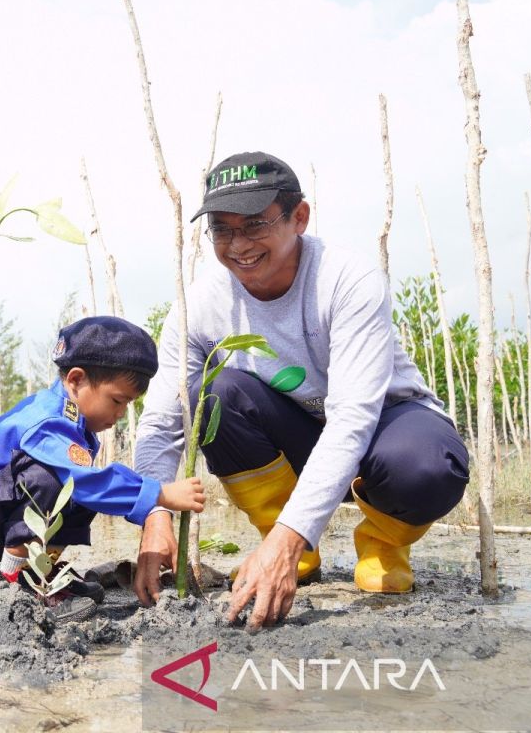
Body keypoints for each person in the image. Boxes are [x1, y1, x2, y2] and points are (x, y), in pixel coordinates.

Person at [134, 151, 470, 629]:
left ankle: (380, 544)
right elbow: (163, 421)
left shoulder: (346, 279)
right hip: (296, 434)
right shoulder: (200, 308)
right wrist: (154, 514)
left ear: (300, 217)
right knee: (214, 394)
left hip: (385, 428)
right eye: (222, 230)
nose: (239, 245)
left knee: (428, 467)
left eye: (255, 225)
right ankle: (290, 547)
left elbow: (353, 417)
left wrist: (292, 535)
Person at [0, 316, 206, 621]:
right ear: (75, 380)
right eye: (117, 401)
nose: (119, 414)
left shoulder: (75, 424)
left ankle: (42, 571)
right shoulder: (50, 421)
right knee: (51, 479)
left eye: (127, 405)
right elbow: (82, 480)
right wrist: (159, 494)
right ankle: (21, 580)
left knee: (80, 490)